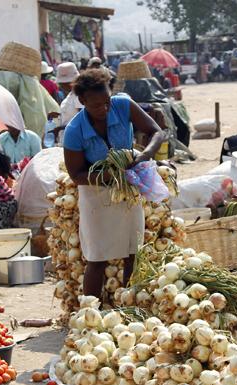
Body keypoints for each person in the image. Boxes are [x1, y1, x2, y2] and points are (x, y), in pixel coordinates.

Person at [63, 68, 166, 299]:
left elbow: (156, 132)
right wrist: (109, 175)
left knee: (133, 252)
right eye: (96, 105)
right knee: (98, 258)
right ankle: (91, 310)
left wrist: (145, 155)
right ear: (82, 101)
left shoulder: (123, 105)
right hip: (96, 194)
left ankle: (130, 305)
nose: (104, 109)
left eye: (107, 102)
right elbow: (76, 175)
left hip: (128, 188)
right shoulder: (74, 130)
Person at [57, 62, 83, 128]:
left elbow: (84, 120)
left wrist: (61, 128)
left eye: (63, 83)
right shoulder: (71, 94)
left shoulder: (79, 95)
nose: (61, 86)